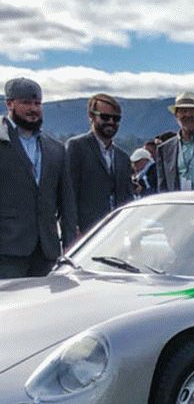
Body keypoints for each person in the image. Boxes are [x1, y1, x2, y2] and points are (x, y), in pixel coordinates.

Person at [0, 77, 76, 278]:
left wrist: (71, 247)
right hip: (7, 253)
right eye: (26, 103)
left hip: (47, 253)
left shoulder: (55, 148)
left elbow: (66, 204)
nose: (33, 109)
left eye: (37, 103)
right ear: (10, 104)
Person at [65, 93, 132, 233]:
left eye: (116, 118)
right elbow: (68, 193)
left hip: (117, 232)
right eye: (105, 117)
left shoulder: (123, 157)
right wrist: (72, 229)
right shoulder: (77, 147)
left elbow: (127, 198)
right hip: (86, 232)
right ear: (91, 116)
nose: (111, 122)